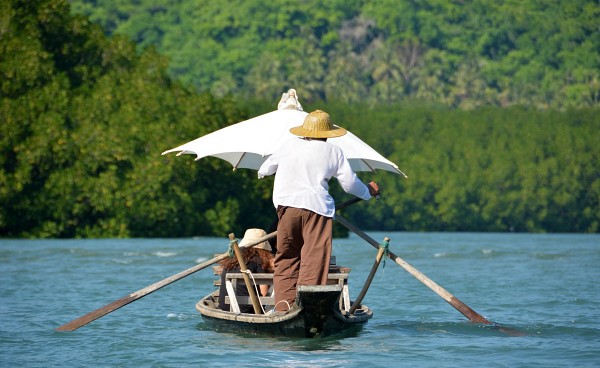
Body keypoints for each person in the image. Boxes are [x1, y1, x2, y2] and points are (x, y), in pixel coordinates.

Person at [258, 109, 379, 311]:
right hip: (317, 210)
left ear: (305, 131)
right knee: (314, 261)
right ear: (326, 134)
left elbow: (264, 170)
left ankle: (283, 308)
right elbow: (350, 185)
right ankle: (307, 310)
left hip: (287, 209)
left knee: (286, 258)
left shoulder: (288, 145)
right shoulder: (334, 152)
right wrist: (368, 192)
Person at [217, 228, 275, 313]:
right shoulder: (259, 261)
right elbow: (264, 295)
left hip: (224, 308)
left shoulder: (230, 261)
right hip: (248, 311)